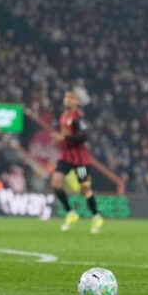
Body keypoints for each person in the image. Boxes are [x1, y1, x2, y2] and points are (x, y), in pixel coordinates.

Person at [51, 90, 103, 234]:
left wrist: (64, 138)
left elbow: (84, 136)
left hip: (80, 159)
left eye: (72, 98)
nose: (68, 100)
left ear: (77, 102)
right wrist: (58, 140)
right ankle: (70, 213)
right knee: (56, 183)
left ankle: (96, 216)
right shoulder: (63, 116)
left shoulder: (78, 118)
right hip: (65, 157)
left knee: (85, 188)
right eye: (66, 97)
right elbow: (65, 135)